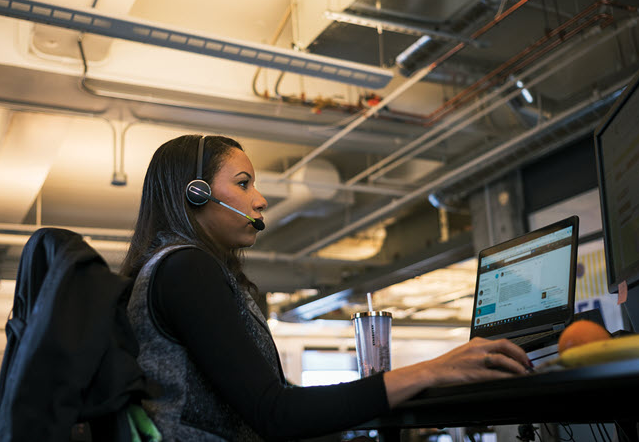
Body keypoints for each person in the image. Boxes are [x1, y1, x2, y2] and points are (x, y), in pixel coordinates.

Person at [122, 134, 532, 441]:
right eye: (244, 183)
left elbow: (273, 398)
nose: (260, 199)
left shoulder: (175, 267)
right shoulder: (186, 268)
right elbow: (275, 412)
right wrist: (434, 370)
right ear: (197, 193)